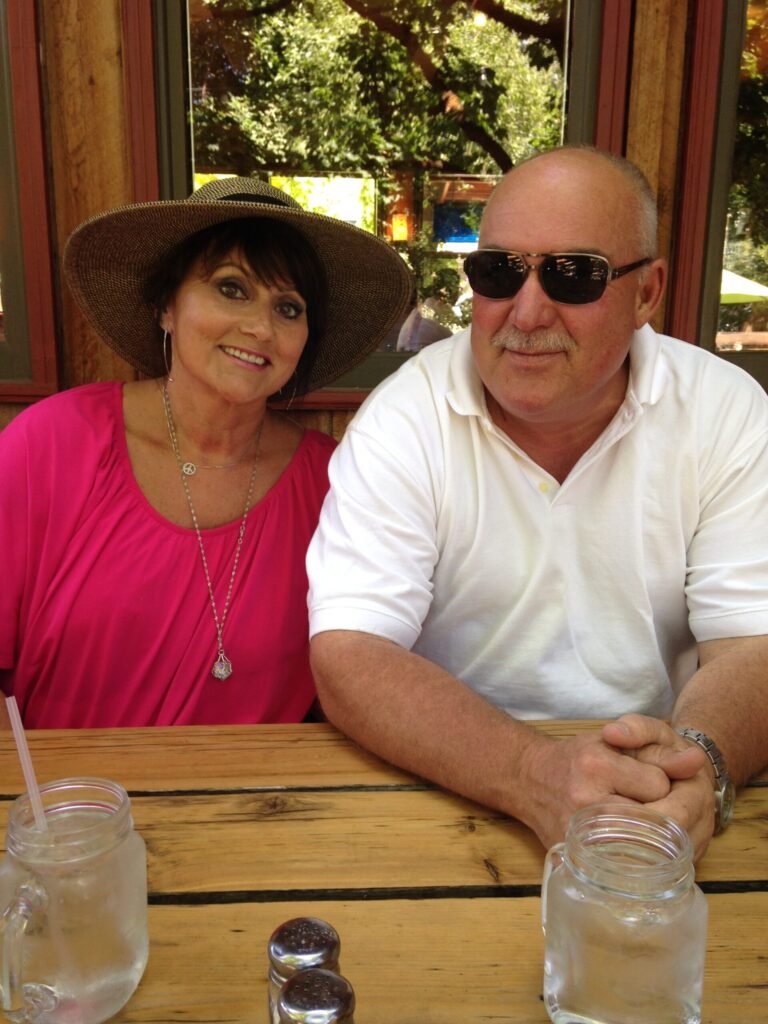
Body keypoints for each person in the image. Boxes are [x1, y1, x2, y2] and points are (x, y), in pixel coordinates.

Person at [307, 146, 768, 861]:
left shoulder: (723, 410)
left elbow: (753, 642)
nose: (525, 312)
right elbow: (351, 650)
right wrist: (532, 773)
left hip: (661, 791)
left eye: (573, 275)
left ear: (647, 293)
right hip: (455, 783)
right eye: (499, 272)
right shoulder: (406, 415)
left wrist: (699, 763)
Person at [0, 177, 411, 727]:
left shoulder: (336, 486)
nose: (260, 327)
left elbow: (358, 676)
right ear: (166, 306)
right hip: (62, 784)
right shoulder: (53, 444)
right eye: (231, 288)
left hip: (257, 784)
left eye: (289, 308)